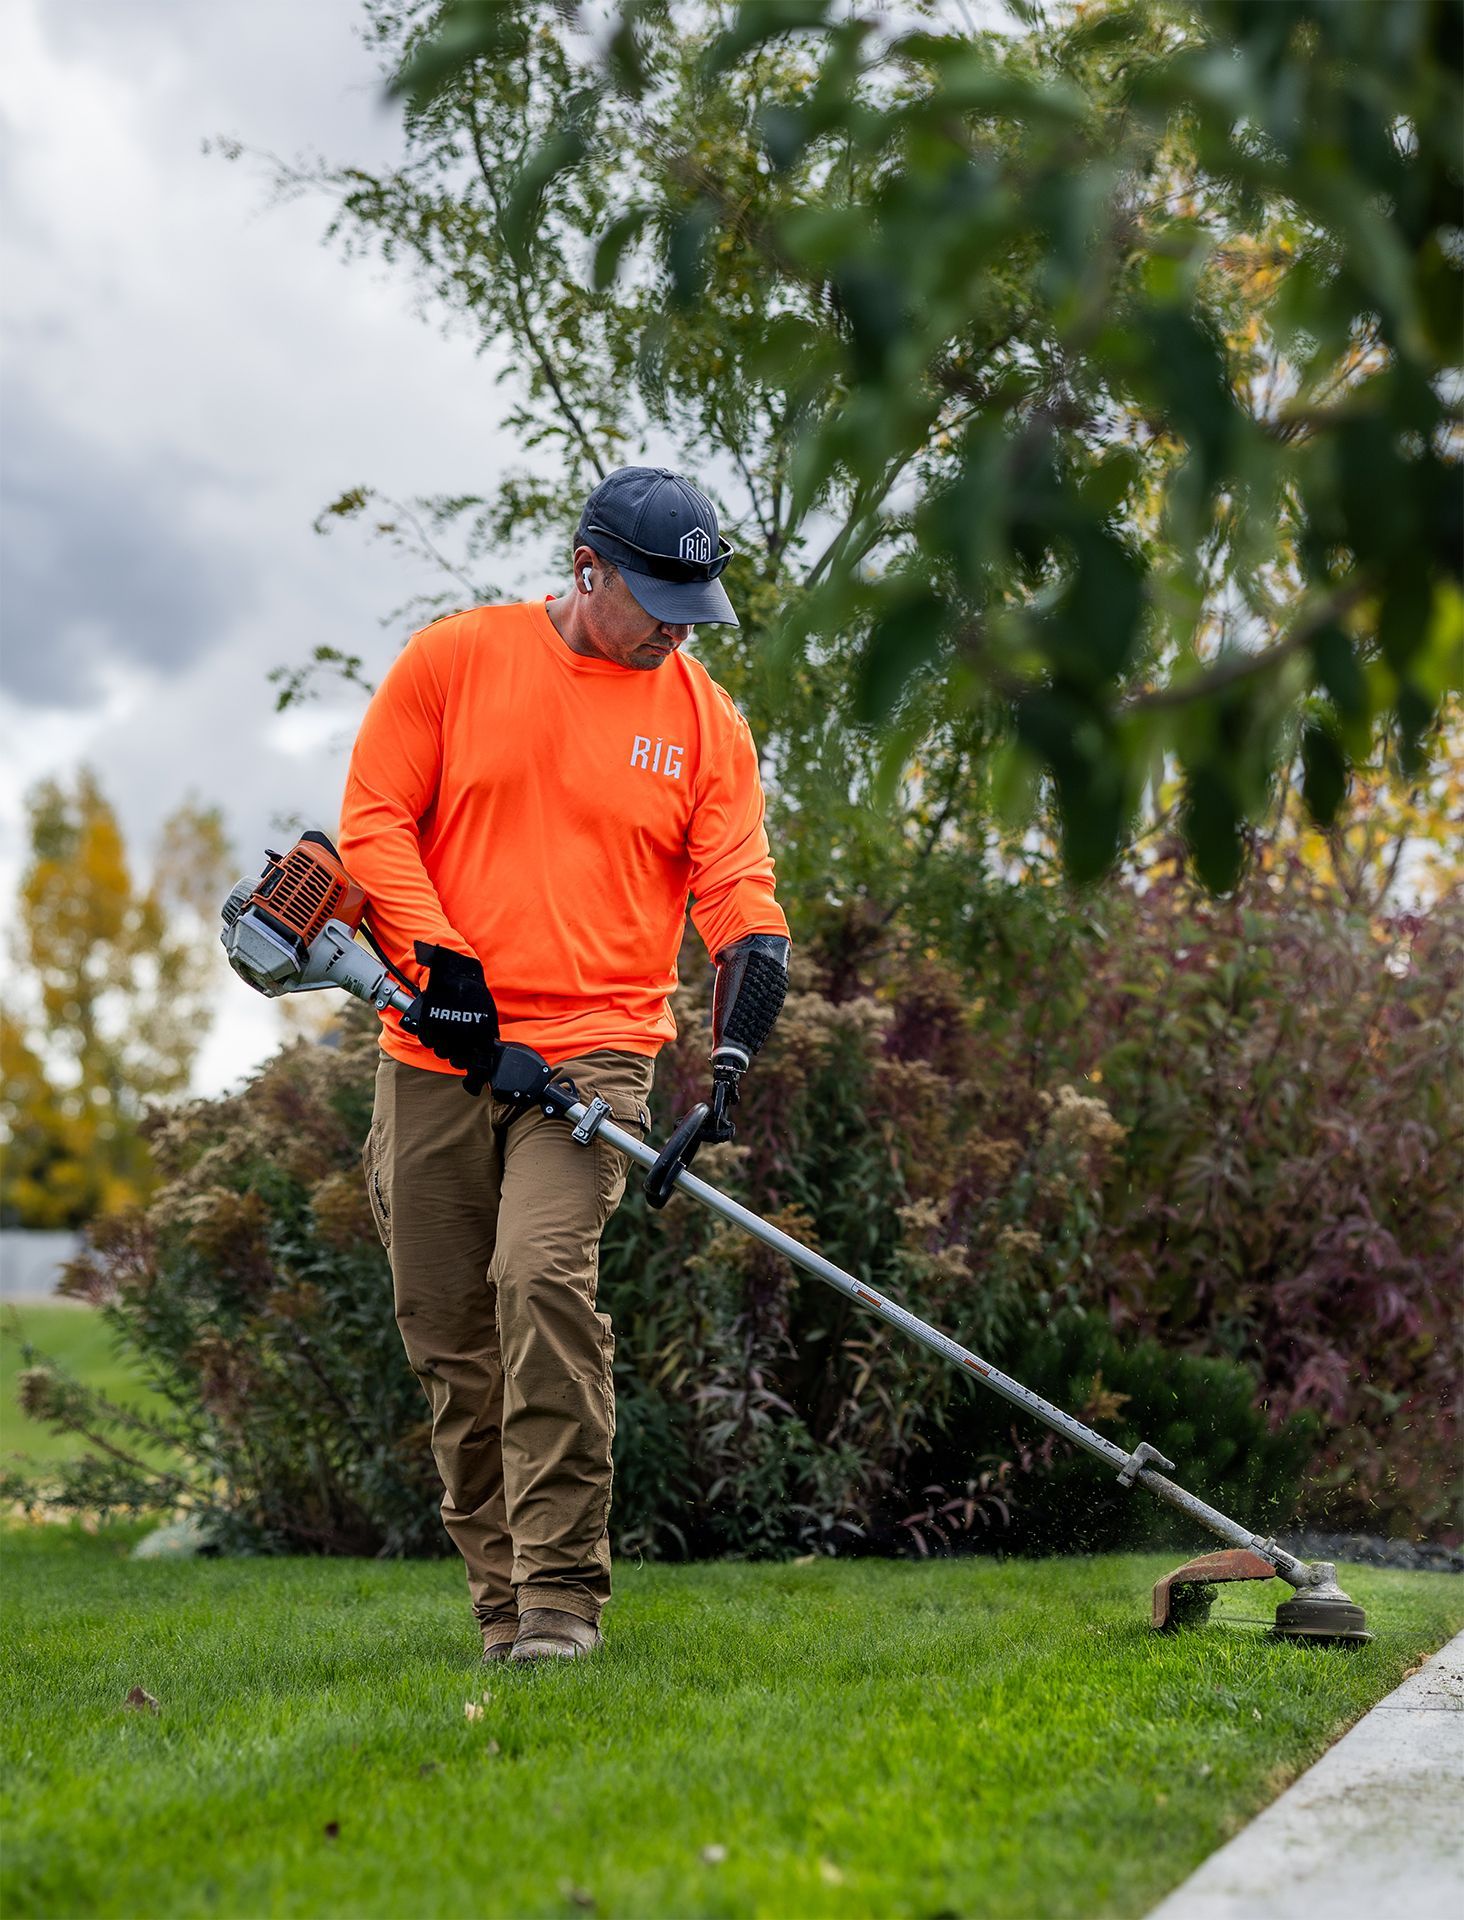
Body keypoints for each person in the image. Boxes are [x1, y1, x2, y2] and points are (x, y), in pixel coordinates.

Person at [337, 466, 790, 1663]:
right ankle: (500, 1609)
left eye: (695, 603)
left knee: (539, 1277)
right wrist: (442, 963)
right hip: (436, 1046)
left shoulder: (704, 721)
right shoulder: (457, 660)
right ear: (587, 568)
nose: (676, 626)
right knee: (447, 1333)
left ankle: (559, 1601)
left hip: (593, 1054)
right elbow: (377, 817)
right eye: (655, 597)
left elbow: (740, 901)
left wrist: (731, 1062)